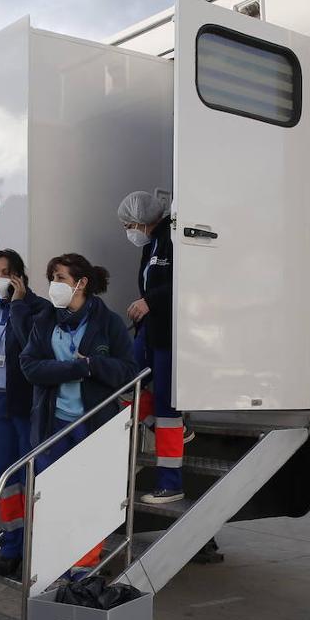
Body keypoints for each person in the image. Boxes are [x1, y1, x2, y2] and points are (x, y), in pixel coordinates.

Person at [20, 253, 138, 579]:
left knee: (88, 499)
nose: (54, 286)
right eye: (52, 279)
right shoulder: (45, 321)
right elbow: (29, 366)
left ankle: (84, 568)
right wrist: (77, 367)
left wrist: (94, 365)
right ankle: (54, 563)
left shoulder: (108, 322)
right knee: (52, 499)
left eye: (60, 278)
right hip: (52, 424)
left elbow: (129, 371)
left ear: (81, 283)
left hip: (93, 424)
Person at [0, 249, 49, 580]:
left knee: (33, 475)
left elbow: (32, 343)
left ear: (19, 276)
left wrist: (17, 304)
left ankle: (40, 547)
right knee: (5, 479)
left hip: (23, 403)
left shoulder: (38, 309)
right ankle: (12, 547)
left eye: (6, 272)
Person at [118, 191, 187, 505]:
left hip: (169, 332)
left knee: (166, 408)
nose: (128, 230)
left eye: (130, 223)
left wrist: (150, 301)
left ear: (146, 220)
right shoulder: (152, 244)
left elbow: (185, 282)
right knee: (122, 384)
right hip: (150, 329)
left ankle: (170, 483)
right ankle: (162, 428)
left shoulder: (172, 238)